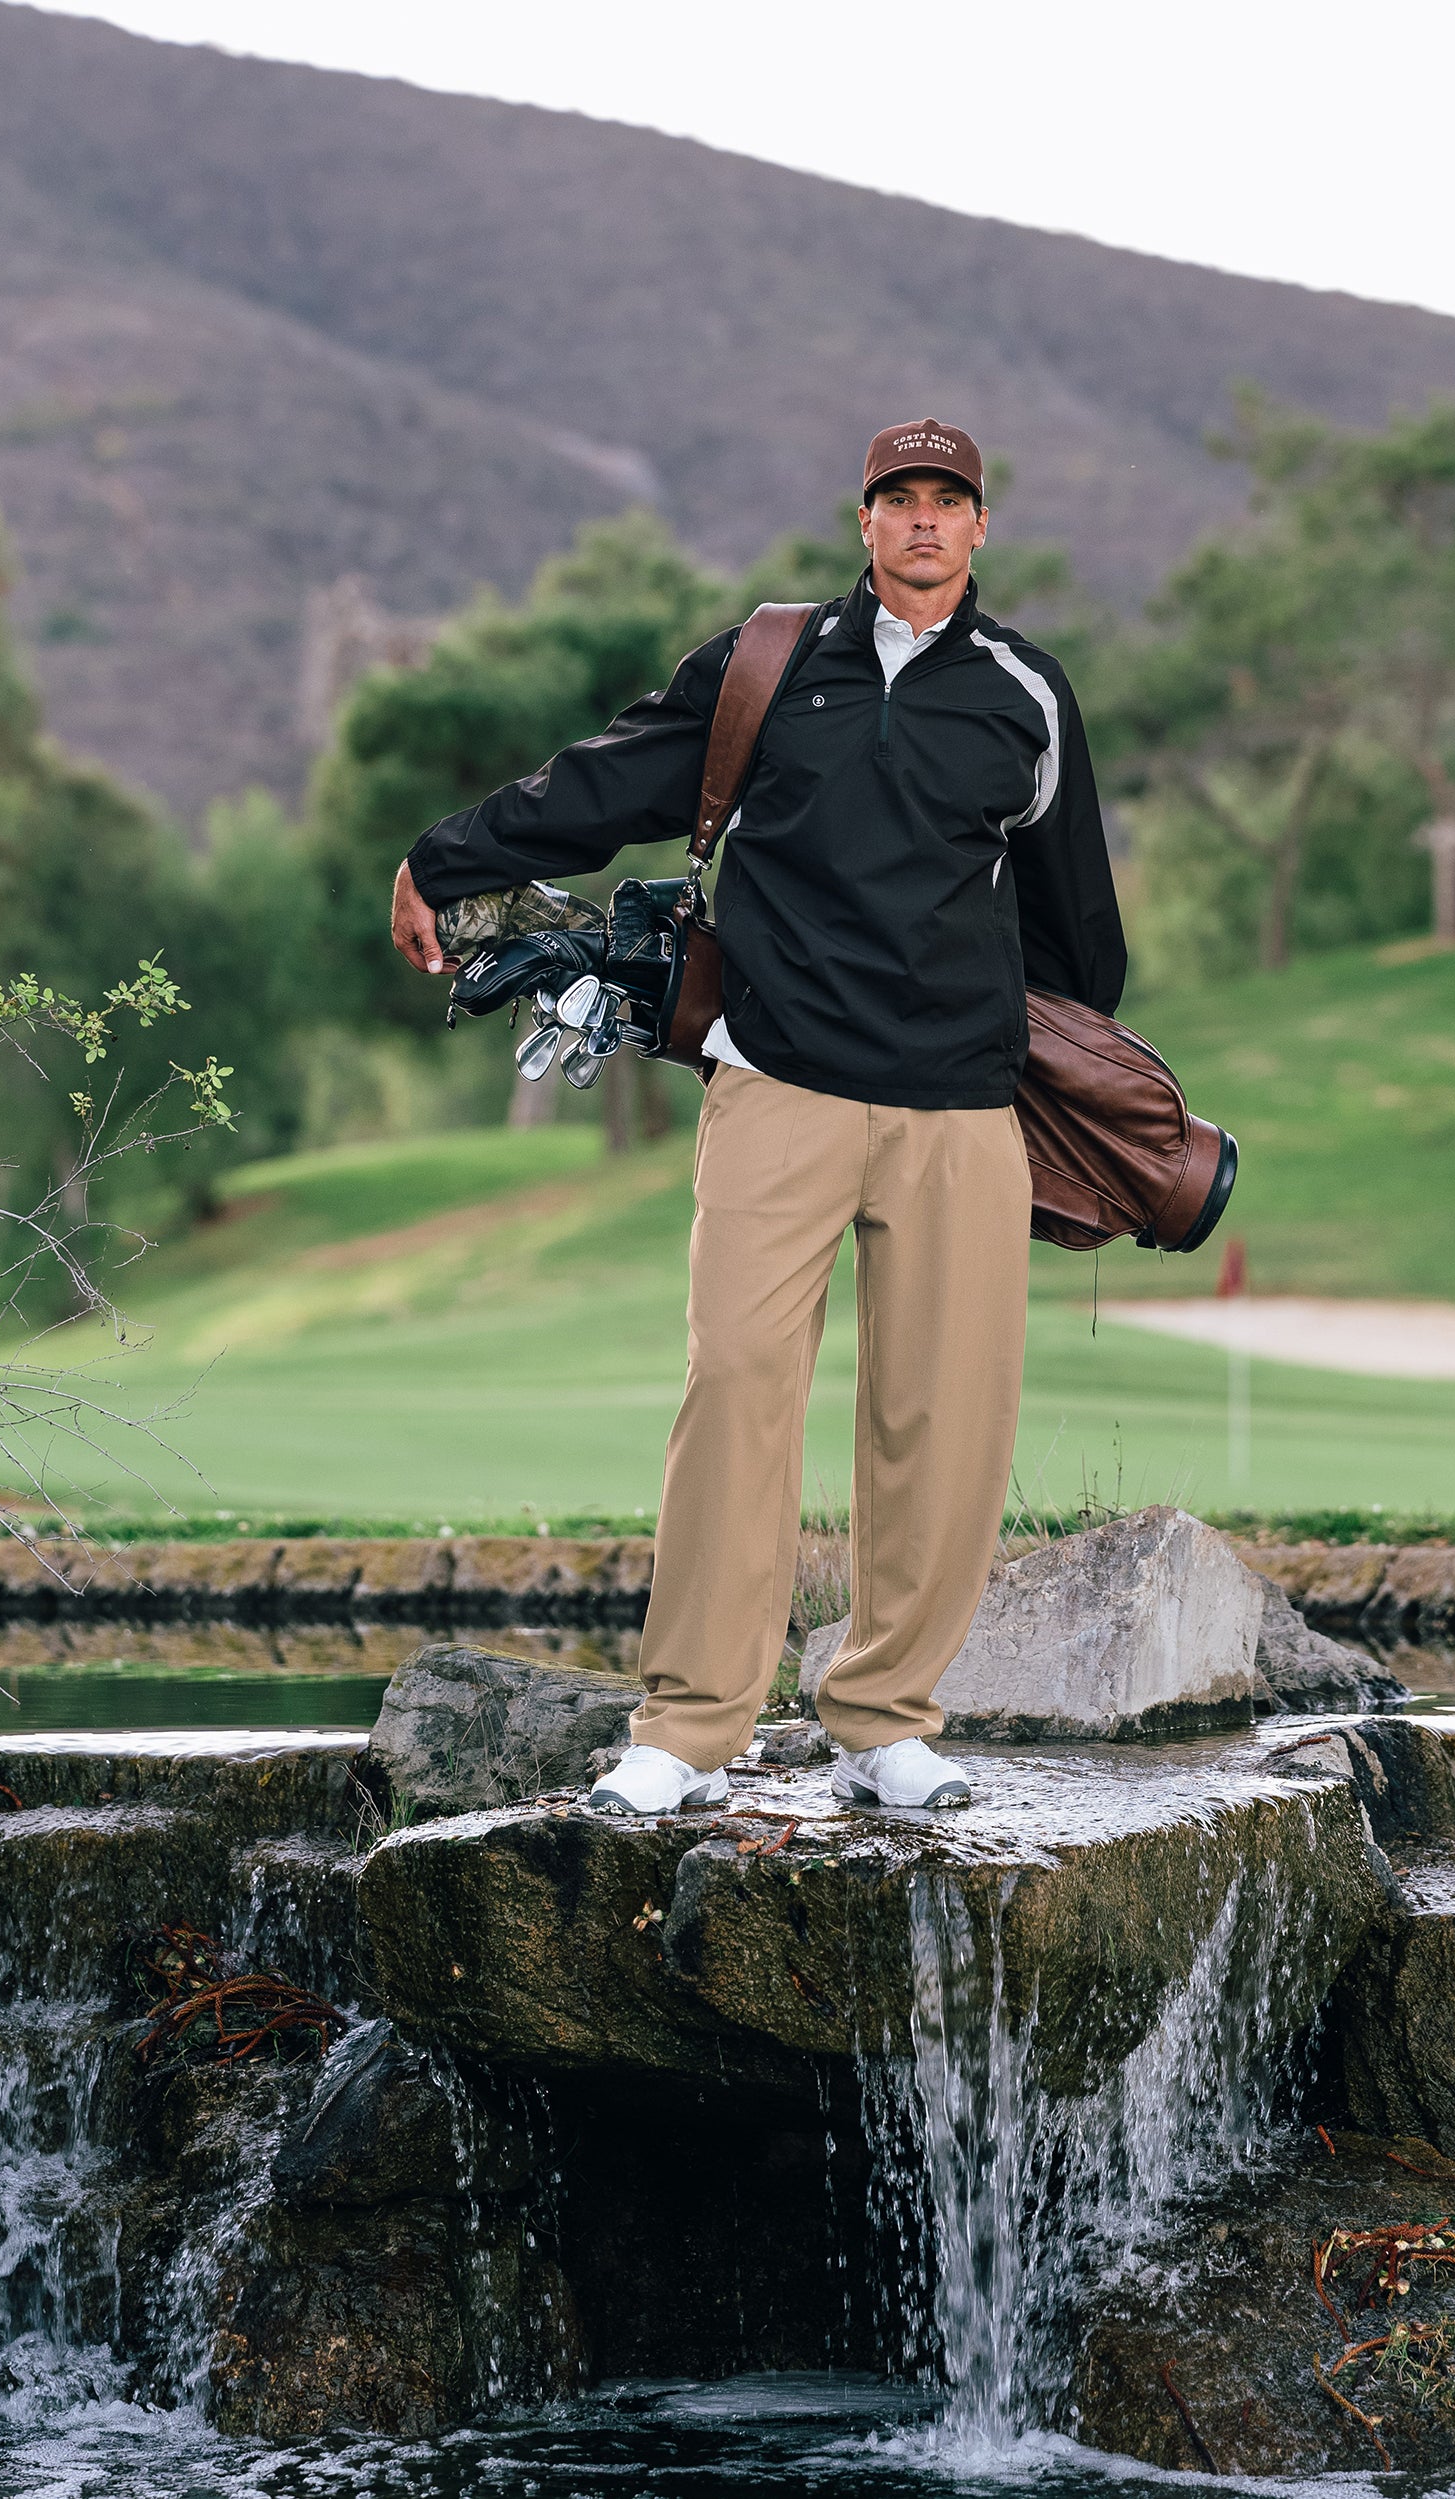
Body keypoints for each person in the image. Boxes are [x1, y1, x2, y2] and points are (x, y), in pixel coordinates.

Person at [391, 419, 1126, 1814]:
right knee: (735, 1383)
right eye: (900, 499)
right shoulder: (770, 663)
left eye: (948, 501)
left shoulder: (1025, 694)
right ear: (865, 520)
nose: (924, 521)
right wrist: (446, 858)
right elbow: (608, 781)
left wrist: (1034, 1073)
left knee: (943, 1416)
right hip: (779, 1080)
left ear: (980, 527)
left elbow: (1075, 927)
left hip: (958, 1112)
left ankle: (885, 1718)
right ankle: (687, 1728)